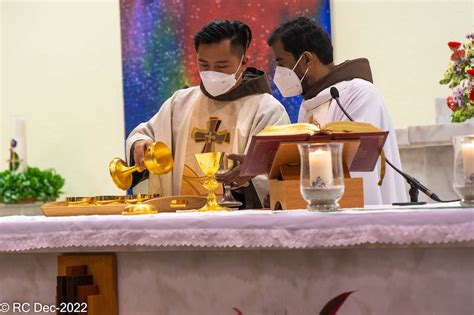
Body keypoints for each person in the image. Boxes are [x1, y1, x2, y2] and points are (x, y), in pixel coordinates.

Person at [126, 19, 290, 208]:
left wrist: (247, 179)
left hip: (239, 227)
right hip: (180, 223)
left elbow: (279, 173)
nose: (211, 73)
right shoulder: (179, 103)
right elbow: (143, 135)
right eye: (203, 65)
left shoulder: (267, 110)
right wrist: (140, 146)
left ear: (243, 63)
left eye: (221, 66)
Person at [267, 16, 407, 205]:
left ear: (307, 59)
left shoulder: (358, 94)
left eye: (282, 63)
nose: (279, 72)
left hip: (361, 213)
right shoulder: (309, 103)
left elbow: (360, 167)